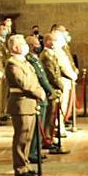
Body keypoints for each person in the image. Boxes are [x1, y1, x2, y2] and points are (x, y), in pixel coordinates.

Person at [5, 34, 47, 176]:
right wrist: (39, 92)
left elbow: (34, 79)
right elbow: (24, 83)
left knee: (28, 137)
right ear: (15, 47)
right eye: (22, 43)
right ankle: (20, 166)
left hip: (30, 103)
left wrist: (39, 90)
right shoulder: (13, 63)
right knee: (21, 136)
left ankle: (26, 164)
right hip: (21, 104)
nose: (25, 46)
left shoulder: (25, 62)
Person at [26, 34, 57, 162]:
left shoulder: (35, 59)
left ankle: (36, 150)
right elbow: (40, 77)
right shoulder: (30, 60)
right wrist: (50, 90)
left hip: (42, 94)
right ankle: (33, 152)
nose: (39, 46)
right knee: (36, 128)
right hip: (38, 95)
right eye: (36, 44)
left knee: (40, 126)